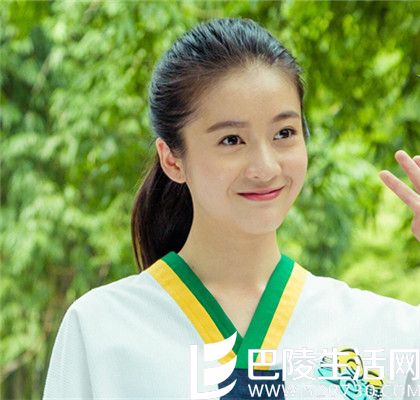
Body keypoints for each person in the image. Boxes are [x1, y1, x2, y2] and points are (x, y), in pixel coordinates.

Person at [43, 17, 419, 400]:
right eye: (231, 140)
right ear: (172, 159)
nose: (266, 168)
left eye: (284, 133)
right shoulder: (101, 331)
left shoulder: (387, 334)